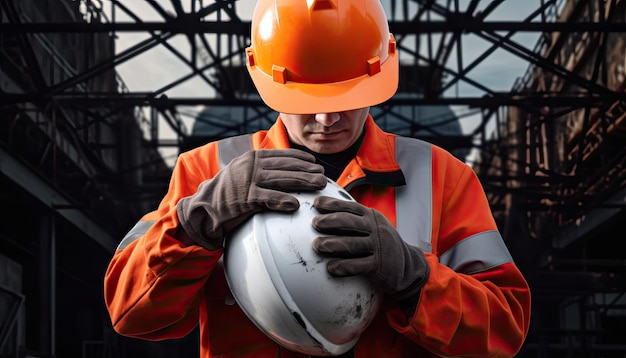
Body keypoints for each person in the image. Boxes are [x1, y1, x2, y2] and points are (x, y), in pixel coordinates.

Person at [104, 0, 532, 356]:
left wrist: (416, 278)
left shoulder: (443, 176)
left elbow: (504, 329)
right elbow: (130, 312)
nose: (328, 118)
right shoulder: (204, 171)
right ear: (264, 78)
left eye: (348, 96)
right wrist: (194, 222)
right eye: (306, 99)